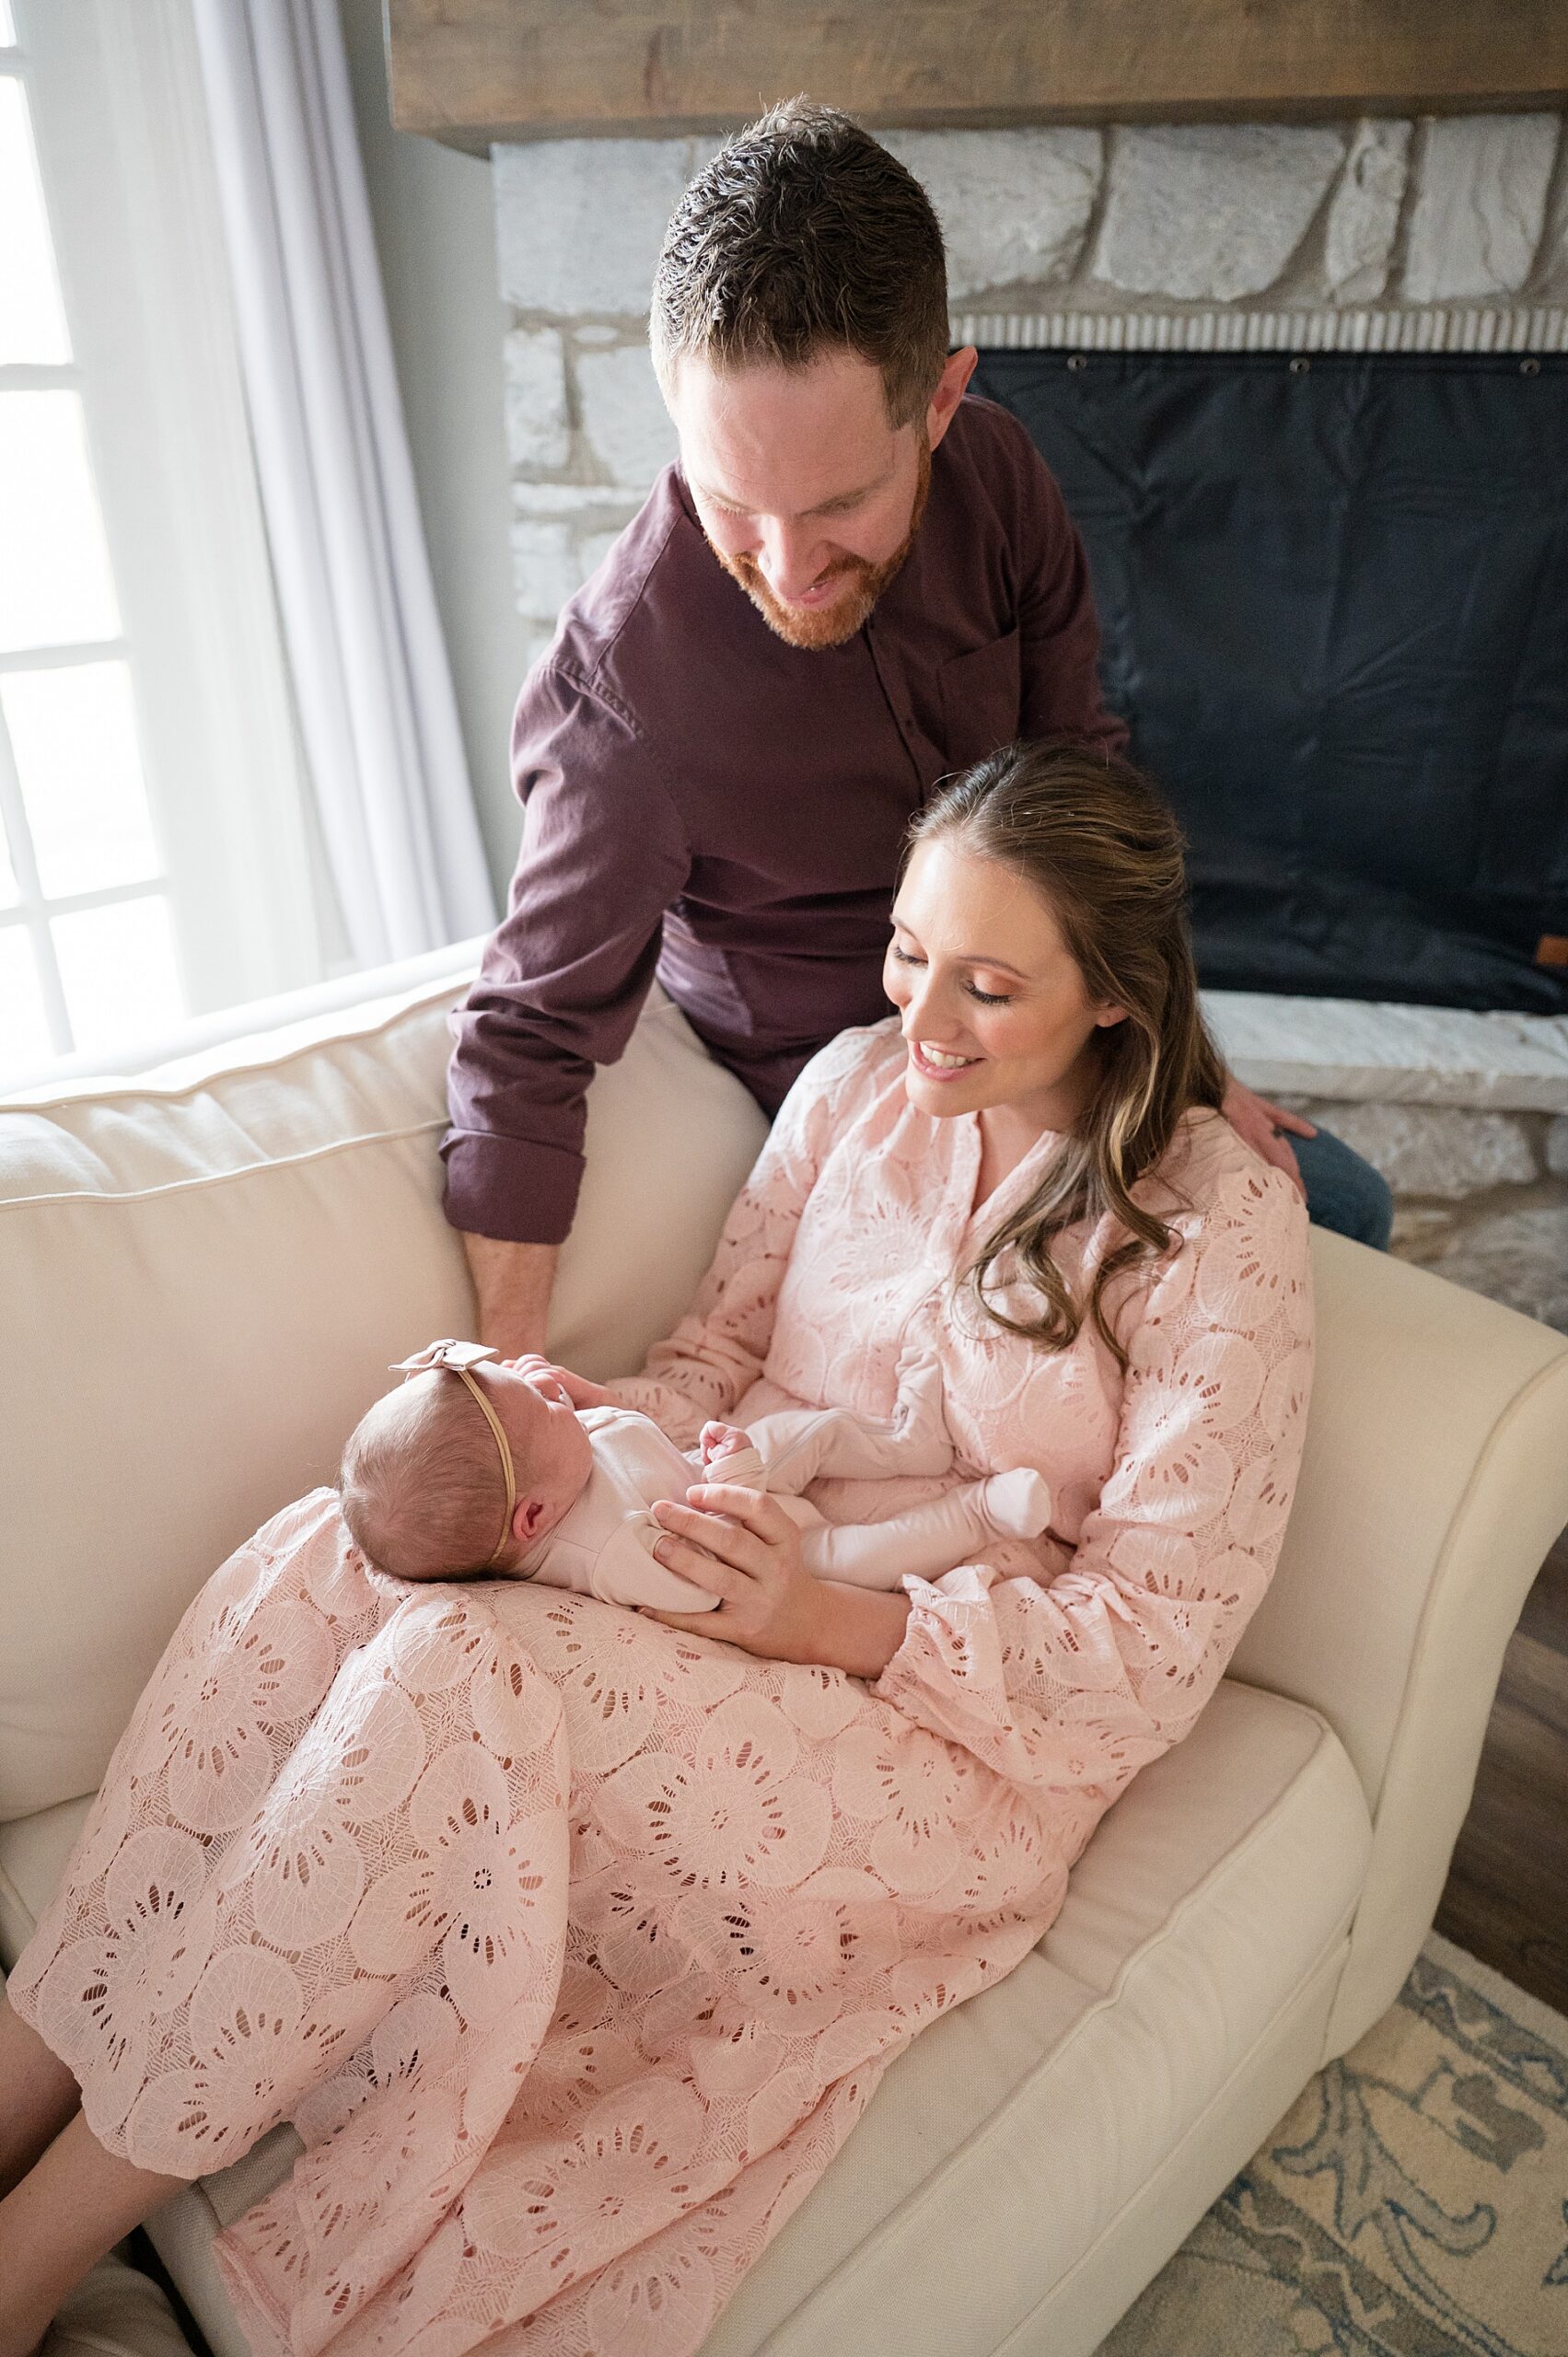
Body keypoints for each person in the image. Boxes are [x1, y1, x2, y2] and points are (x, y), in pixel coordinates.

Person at [0, 742, 1313, 2357]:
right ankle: (20, 2078)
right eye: (906, 952)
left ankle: (28, 2269)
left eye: (985, 985)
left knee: (449, 1667)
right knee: (335, 1551)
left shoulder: (1212, 1229)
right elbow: (710, 1363)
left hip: (940, 1728)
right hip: (717, 1557)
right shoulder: (847, 1093)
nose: (922, 1019)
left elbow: (1151, 1647)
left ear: (1115, 992)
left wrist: (816, 1616)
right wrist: (584, 1437)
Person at [442, 96, 1390, 1363]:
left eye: (839, 504)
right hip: (867, 1124)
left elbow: (1079, 793)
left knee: (1338, 1206)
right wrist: (503, 1367)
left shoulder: (997, 482)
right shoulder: (621, 700)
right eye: (731, 501)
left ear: (941, 404)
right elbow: (525, 1033)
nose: (786, 568)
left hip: (1058, 1045)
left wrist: (1183, 1067)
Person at [339, 1338, 1051, 1601]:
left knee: (811, 1433)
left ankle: (906, 1445)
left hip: (708, 1471)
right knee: (864, 1556)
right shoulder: (611, 1555)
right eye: (549, 1410)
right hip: (772, 1550)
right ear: (535, 1519)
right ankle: (983, 1512)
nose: (556, 1394)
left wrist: (586, 1400)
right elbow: (705, 1586)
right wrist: (735, 1479)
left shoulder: (540, 1474)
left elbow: (617, 1440)